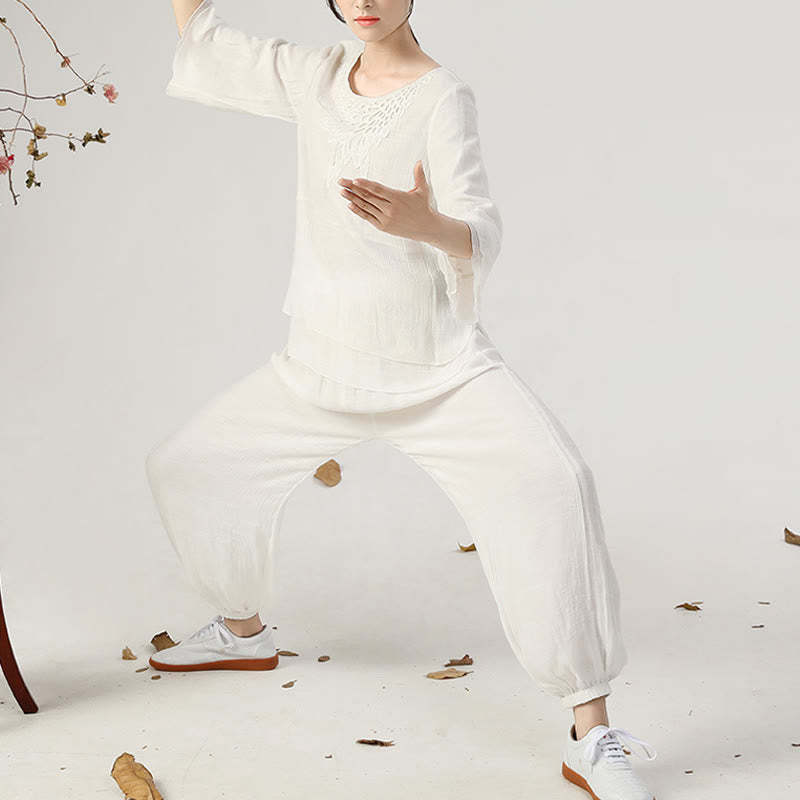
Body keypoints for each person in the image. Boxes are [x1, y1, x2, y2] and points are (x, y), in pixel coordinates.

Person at [146, 1, 658, 797]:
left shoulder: (442, 96)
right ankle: (242, 631)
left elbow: (482, 230)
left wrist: (428, 223)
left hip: (435, 371)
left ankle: (591, 732)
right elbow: (201, 36)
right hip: (318, 364)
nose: (363, 1)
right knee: (187, 467)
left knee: (557, 485)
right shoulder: (315, 75)